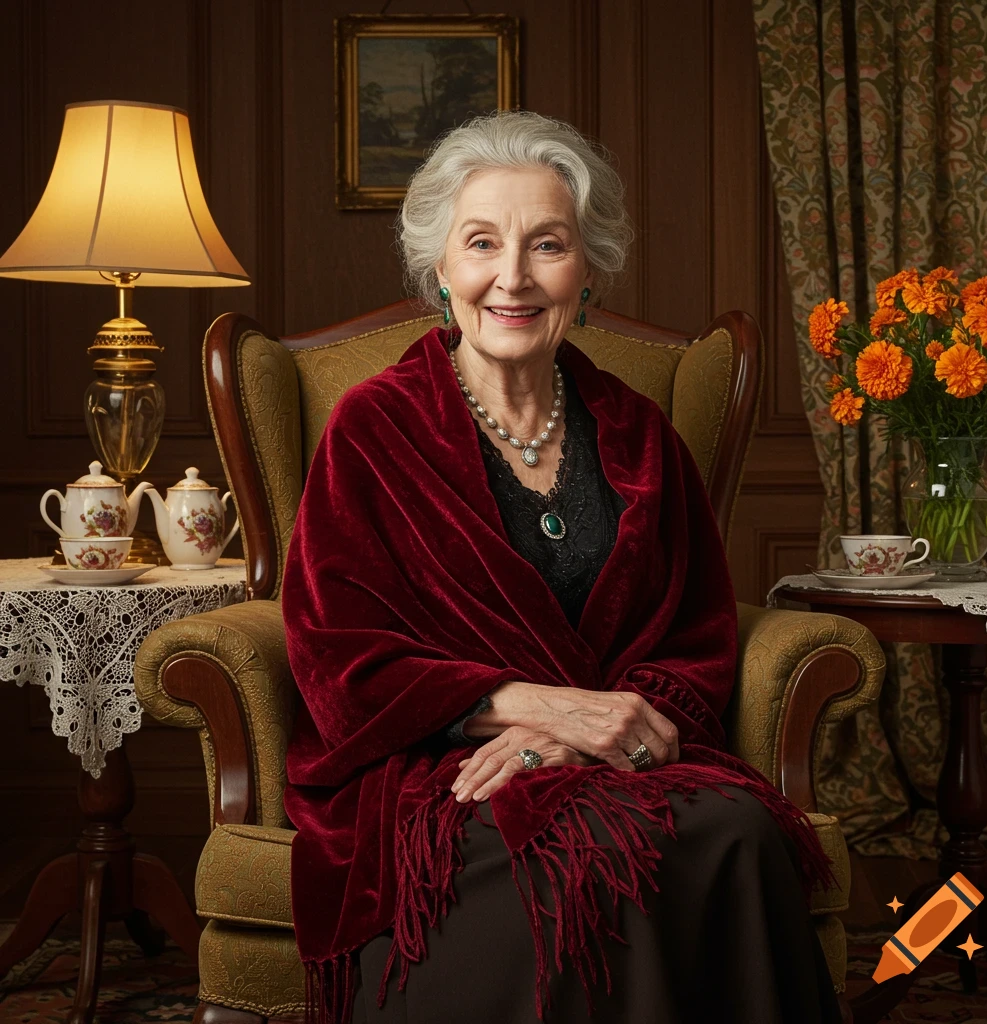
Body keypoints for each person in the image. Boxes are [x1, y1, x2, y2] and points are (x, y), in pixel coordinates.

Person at [282, 110, 843, 1024]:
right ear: (441, 271)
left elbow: (698, 635)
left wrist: (594, 729)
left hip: (619, 750)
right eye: (481, 244)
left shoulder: (640, 434)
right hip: (443, 767)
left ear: (586, 272)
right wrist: (539, 711)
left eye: (547, 245)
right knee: (575, 854)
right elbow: (338, 659)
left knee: (737, 832)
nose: (512, 277)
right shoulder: (373, 428)